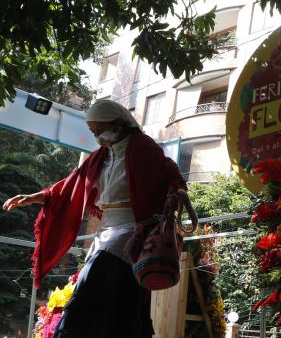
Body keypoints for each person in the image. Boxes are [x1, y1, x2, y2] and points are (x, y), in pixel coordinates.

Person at [2, 100, 188, 337]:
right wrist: (36, 197)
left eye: (99, 130)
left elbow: (172, 176)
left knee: (89, 290)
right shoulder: (101, 156)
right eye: (93, 131)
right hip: (106, 230)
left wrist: (175, 194)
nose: (97, 136)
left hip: (133, 230)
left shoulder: (144, 147)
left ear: (118, 123)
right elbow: (71, 185)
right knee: (119, 300)